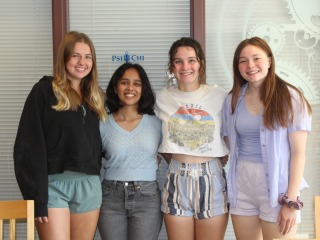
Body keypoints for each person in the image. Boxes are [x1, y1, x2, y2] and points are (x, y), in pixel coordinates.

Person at [13, 31, 107, 240]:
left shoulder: (97, 97)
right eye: (75, 55)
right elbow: (27, 147)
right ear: (64, 58)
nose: (82, 62)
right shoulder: (44, 91)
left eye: (88, 57)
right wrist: (36, 199)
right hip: (52, 186)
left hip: (89, 186)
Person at [222, 36, 312, 240]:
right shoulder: (232, 100)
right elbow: (229, 141)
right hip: (242, 185)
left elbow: (299, 153)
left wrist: (291, 200)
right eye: (243, 60)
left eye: (256, 58)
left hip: (279, 189)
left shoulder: (290, 98)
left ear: (270, 61)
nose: (250, 65)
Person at [155, 37, 229, 240]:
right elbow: (154, 134)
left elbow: (232, 134)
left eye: (191, 60)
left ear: (201, 64)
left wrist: (223, 154)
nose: (185, 66)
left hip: (211, 178)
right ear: (172, 66)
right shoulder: (162, 99)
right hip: (177, 178)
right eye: (178, 61)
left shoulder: (220, 96)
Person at [97, 62, 163, 240]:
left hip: (147, 198)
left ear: (143, 89)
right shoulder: (102, 123)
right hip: (110, 197)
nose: (130, 88)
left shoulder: (157, 123)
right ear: (115, 87)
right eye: (124, 82)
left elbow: (171, 153)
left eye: (137, 83)